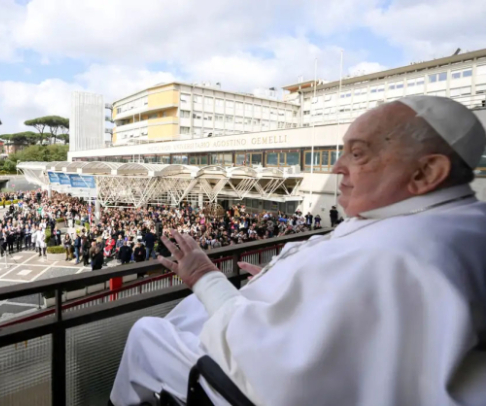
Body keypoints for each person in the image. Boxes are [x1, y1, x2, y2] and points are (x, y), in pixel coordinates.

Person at [109, 96, 486, 405]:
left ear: (426, 173)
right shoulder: (451, 219)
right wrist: (284, 284)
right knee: (192, 310)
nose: (337, 167)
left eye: (357, 154)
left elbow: (271, 366)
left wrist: (204, 276)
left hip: (250, 386)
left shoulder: (395, 251)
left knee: (147, 332)